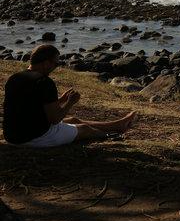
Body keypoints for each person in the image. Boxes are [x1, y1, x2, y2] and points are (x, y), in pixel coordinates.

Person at [3, 45, 136, 148]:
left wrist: (59, 101)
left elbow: (28, 104)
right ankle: (110, 136)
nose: (55, 67)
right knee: (85, 129)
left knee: (74, 120)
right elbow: (55, 119)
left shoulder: (15, 78)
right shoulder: (44, 82)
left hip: (13, 135)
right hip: (34, 137)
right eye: (55, 64)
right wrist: (70, 102)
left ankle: (118, 125)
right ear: (46, 63)